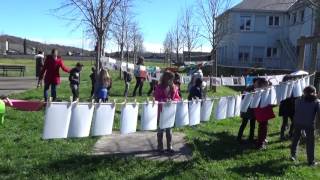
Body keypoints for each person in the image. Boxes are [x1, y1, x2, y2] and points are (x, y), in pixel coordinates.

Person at [291, 86, 320, 166]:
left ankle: (293, 155)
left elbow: (297, 110)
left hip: (297, 122)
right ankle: (311, 161)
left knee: (296, 139)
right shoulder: (316, 101)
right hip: (309, 124)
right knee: (310, 143)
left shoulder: (298, 100)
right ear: (314, 92)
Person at [154, 71, 181, 154]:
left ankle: (169, 146)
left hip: (170, 112)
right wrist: (164, 100)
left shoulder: (174, 87)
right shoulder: (159, 87)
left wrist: (173, 100)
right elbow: (156, 98)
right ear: (164, 78)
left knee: (169, 130)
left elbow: (178, 98)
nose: (170, 80)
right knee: (161, 129)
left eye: (171, 79)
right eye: (168, 78)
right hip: (161, 111)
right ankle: (160, 147)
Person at [254, 78, 275, 149]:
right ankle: (260, 143)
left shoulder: (263, 91)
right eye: (266, 84)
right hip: (261, 111)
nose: (268, 85)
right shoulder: (259, 92)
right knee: (262, 127)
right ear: (263, 84)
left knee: (264, 126)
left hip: (263, 111)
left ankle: (263, 139)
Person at [237, 78, 259, 143]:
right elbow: (243, 97)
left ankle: (251, 138)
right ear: (254, 82)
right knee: (244, 123)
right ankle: (239, 137)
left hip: (253, 109)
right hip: (246, 109)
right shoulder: (248, 88)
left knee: (253, 124)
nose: (258, 84)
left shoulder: (258, 89)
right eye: (257, 82)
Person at [279, 75, 296, 140]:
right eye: (290, 79)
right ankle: (282, 135)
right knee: (285, 122)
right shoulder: (282, 87)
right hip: (285, 106)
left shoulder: (294, 86)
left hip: (292, 106)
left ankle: (290, 133)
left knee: (294, 121)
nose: (292, 80)